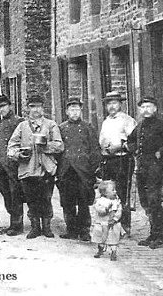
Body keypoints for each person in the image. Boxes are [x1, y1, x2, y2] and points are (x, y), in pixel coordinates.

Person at [7, 95, 64, 239]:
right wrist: (19, 155)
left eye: (39, 106)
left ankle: (47, 227)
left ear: (43, 108)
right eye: (32, 106)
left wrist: (46, 146)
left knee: (46, 198)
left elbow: (59, 145)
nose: (36, 110)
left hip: (46, 169)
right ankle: (35, 228)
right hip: (28, 169)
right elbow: (11, 147)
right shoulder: (22, 126)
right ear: (28, 108)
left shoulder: (51, 125)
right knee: (31, 200)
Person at [126, 95, 163, 249]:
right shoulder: (139, 126)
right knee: (145, 200)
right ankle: (153, 234)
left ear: (155, 108)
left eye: (149, 107)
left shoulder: (162, 125)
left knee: (155, 200)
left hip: (156, 167)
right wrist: (133, 150)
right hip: (142, 167)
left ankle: (159, 235)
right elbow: (130, 140)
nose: (146, 110)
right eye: (143, 107)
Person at [56, 98, 100, 241]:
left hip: (83, 171)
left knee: (83, 201)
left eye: (77, 109)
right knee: (68, 202)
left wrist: (92, 169)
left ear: (81, 111)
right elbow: (57, 149)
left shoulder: (88, 127)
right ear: (67, 112)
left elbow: (94, 150)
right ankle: (71, 230)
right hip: (67, 170)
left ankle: (84, 230)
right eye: (71, 110)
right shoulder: (61, 128)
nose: (74, 112)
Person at [98, 90, 136, 236]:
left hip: (122, 160)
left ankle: (125, 227)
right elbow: (101, 140)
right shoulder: (106, 121)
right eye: (109, 103)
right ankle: (110, 224)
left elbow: (133, 141)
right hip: (108, 160)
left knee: (121, 192)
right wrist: (105, 146)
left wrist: (119, 146)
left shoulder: (127, 120)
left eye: (114, 103)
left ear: (120, 104)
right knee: (108, 192)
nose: (112, 106)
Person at [0, 95, 25, 236]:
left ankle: (17, 225)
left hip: (15, 166)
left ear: (10, 106)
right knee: (6, 193)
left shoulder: (19, 122)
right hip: (2, 167)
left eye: (4, 106)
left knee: (15, 194)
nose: (1, 110)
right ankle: (14, 220)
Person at [91, 180, 123, 261]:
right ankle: (100, 250)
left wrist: (115, 219)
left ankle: (113, 252)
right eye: (112, 190)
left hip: (112, 224)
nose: (115, 191)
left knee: (113, 240)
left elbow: (119, 211)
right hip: (102, 223)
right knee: (100, 238)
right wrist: (105, 209)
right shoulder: (100, 201)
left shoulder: (116, 201)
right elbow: (98, 210)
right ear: (105, 193)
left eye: (115, 190)